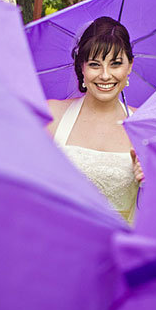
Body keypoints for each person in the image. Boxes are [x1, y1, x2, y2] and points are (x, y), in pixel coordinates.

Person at [46, 16, 144, 226]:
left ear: (130, 66)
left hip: (117, 251)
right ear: (82, 67)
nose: (105, 75)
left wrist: (149, 182)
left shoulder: (146, 127)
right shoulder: (51, 115)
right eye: (95, 64)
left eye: (116, 64)